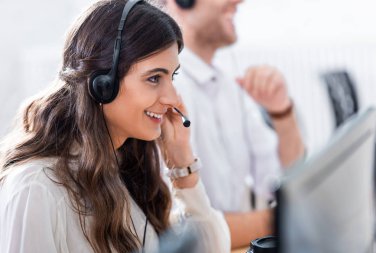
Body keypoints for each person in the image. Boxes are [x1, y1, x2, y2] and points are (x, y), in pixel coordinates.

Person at [0, 1, 230, 252]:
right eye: (154, 78)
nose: (173, 98)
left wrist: (182, 162)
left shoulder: (125, 167)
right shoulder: (37, 187)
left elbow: (211, 247)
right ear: (103, 84)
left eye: (171, 77)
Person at [163, 0, 306, 249]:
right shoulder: (167, 94)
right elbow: (180, 231)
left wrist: (281, 111)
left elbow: (285, 178)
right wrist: (285, 218)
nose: (239, 2)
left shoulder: (227, 84)